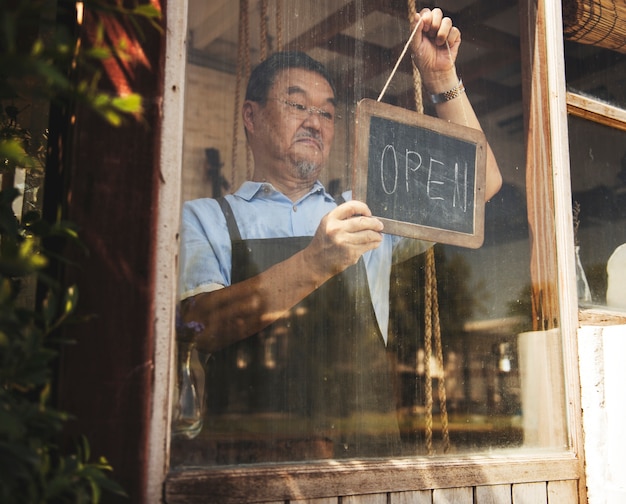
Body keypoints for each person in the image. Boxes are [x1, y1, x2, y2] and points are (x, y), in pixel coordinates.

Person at [177, 8, 502, 464]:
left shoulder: (364, 212)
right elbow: (197, 329)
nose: (315, 121)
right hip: (248, 465)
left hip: (365, 462)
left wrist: (443, 78)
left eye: (327, 113)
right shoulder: (207, 219)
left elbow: (480, 187)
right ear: (251, 116)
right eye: (297, 105)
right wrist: (315, 260)